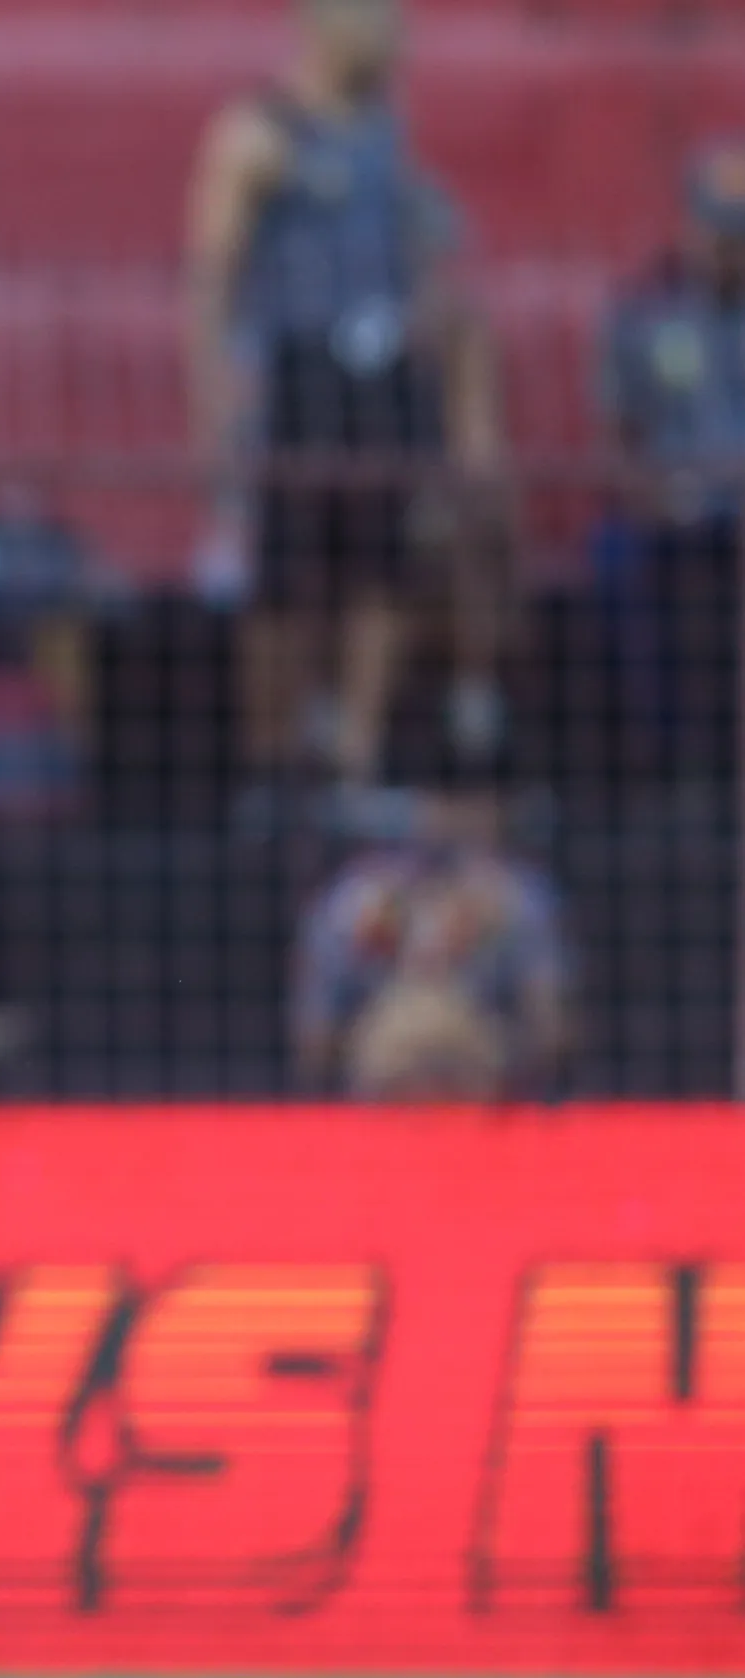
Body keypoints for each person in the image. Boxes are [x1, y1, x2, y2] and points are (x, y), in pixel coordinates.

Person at [184, 0, 502, 794]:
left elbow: (421, 254)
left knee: (384, 568)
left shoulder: (385, 129)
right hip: (299, 372)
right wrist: (213, 396)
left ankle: (354, 756)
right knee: (285, 575)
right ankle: (271, 759)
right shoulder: (257, 131)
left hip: (387, 376)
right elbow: (209, 277)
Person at [593, 140, 745, 775]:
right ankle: (667, 763)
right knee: (619, 553)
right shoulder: (642, 311)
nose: (727, 249)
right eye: (718, 231)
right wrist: (648, 495)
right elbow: (617, 434)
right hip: (669, 511)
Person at [291, 764, 568, 1100]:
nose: (456, 818)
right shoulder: (353, 899)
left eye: (473, 802)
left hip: (485, 1077)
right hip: (378, 1067)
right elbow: (313, 1041)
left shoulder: (520, 898)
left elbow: (553, 1033)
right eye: (443, 800)